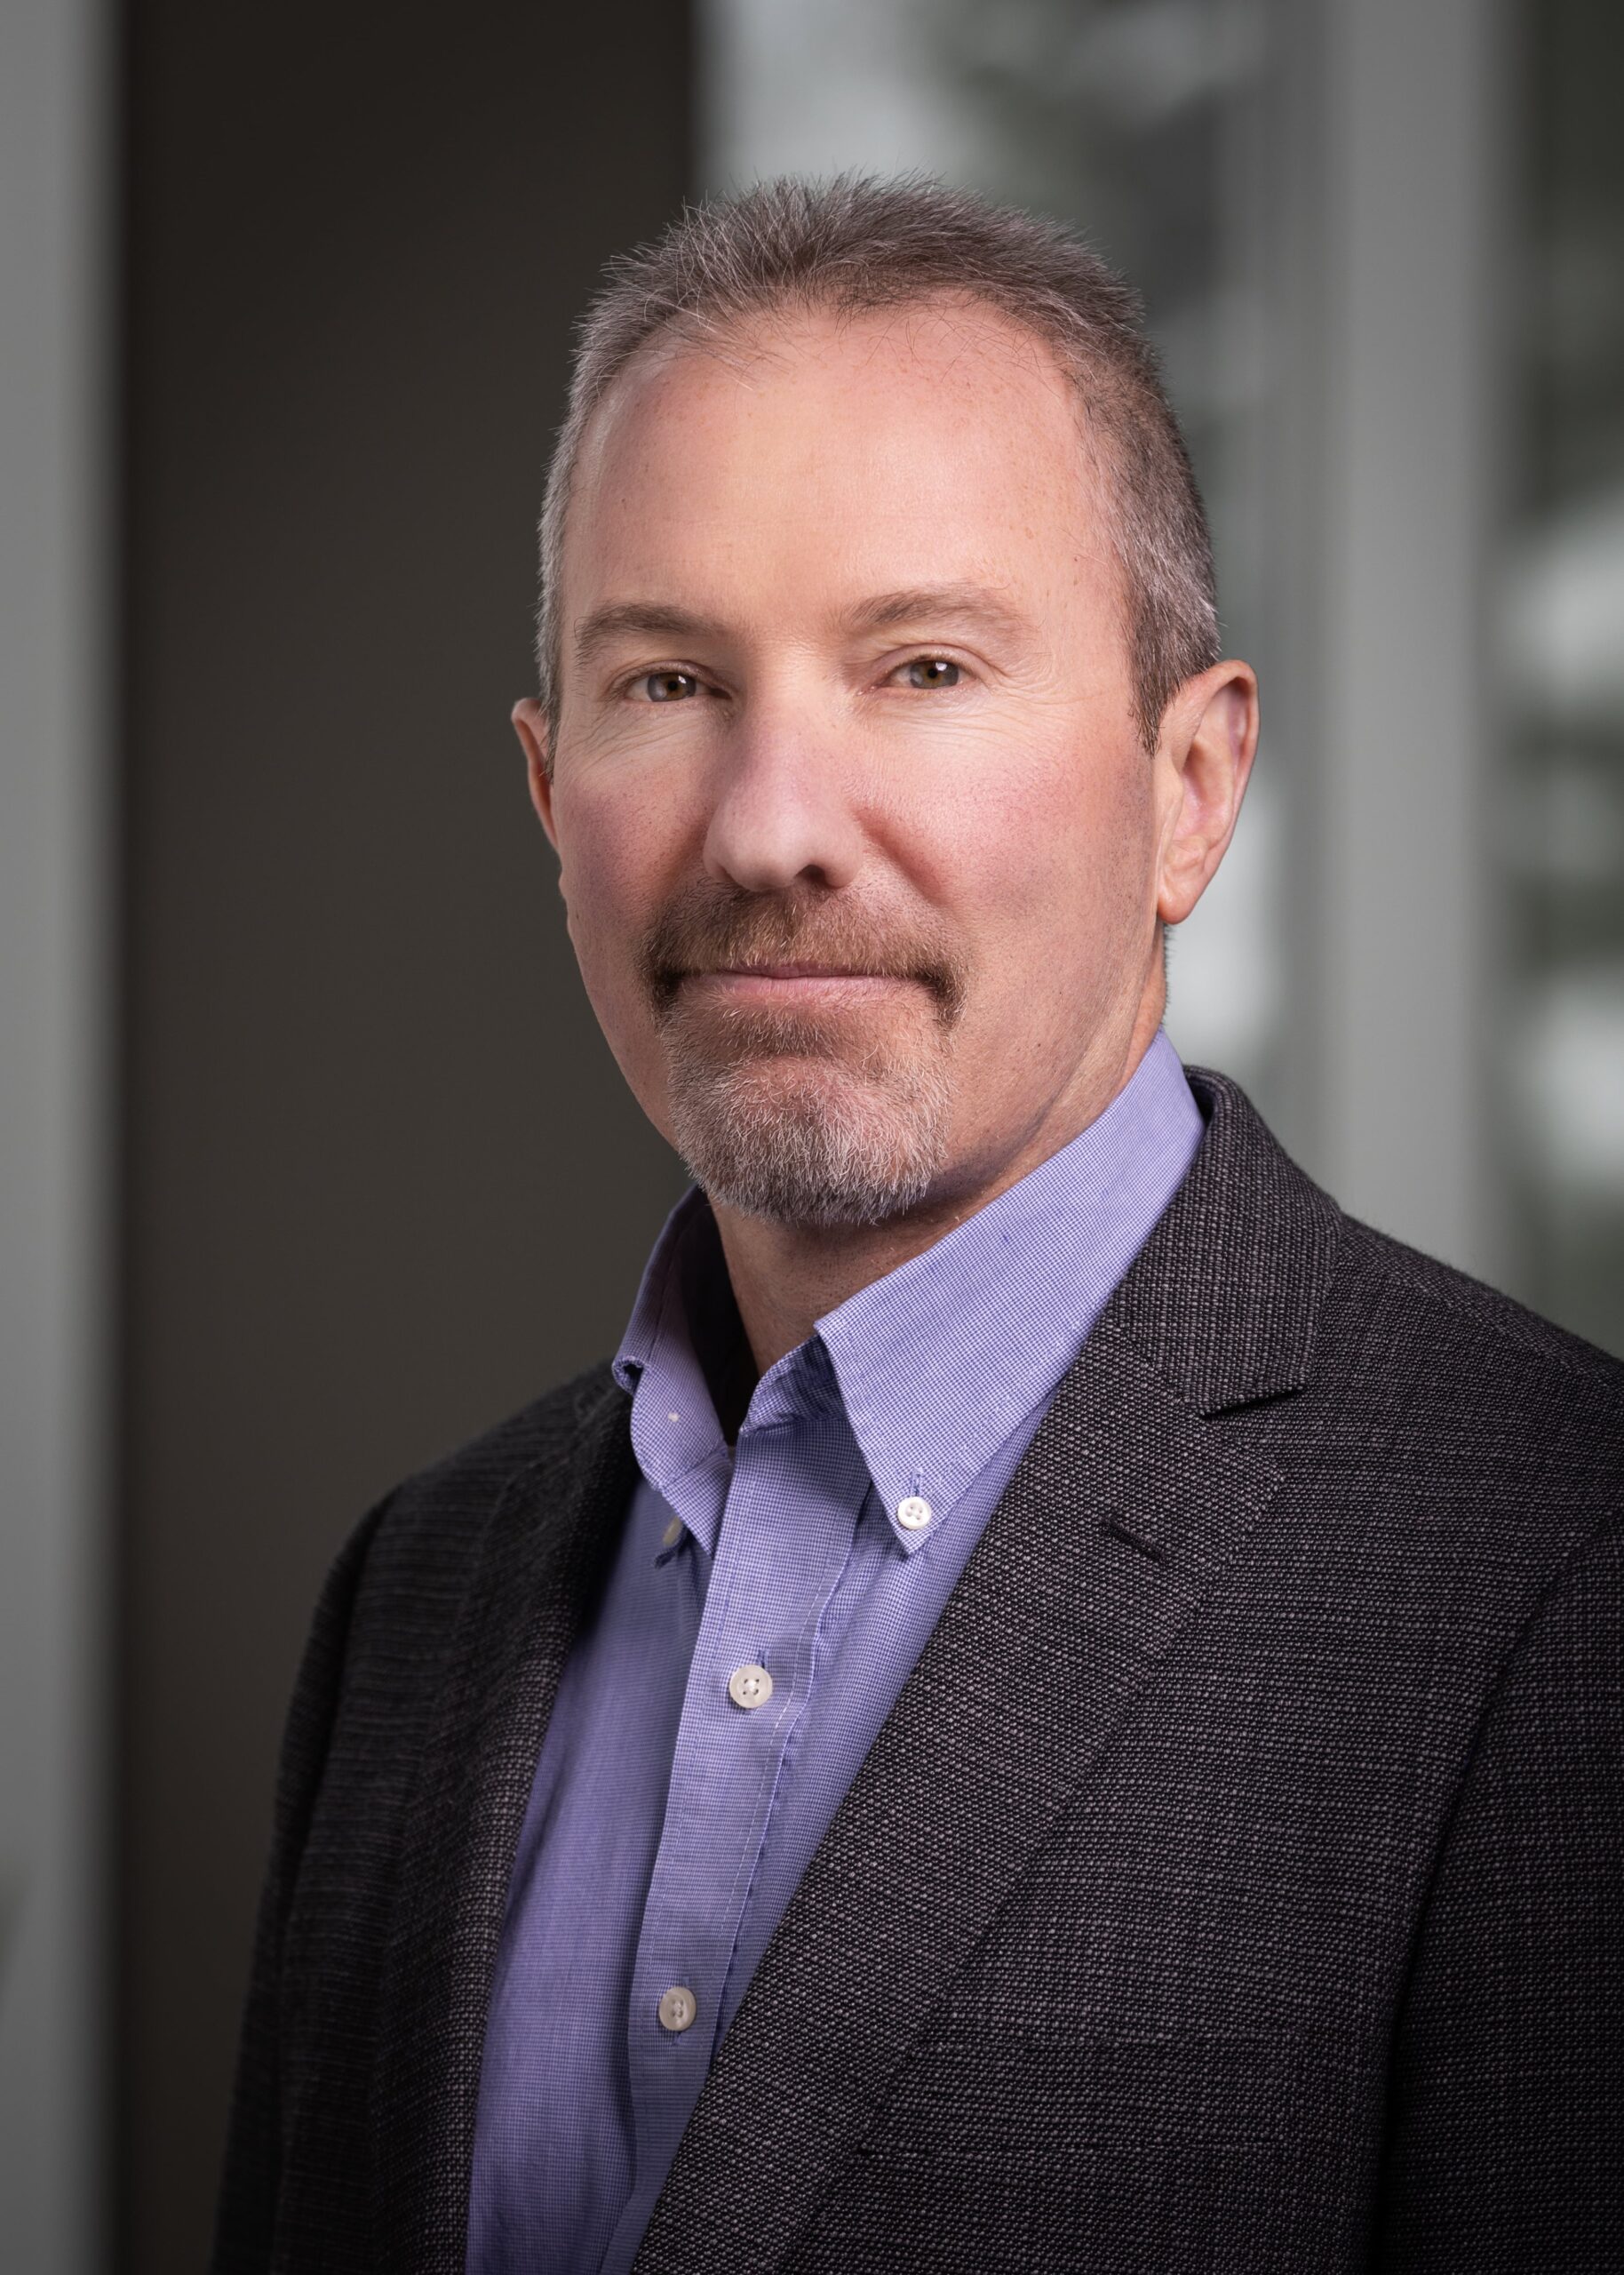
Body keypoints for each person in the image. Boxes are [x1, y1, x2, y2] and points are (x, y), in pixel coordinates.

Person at [212, 177, 1623, 2275]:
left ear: (1189, 787)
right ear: (545, 794)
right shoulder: (414, 1598)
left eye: (923, 664)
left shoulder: (1555, 1568)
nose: (772, 826)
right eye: (667, 679)